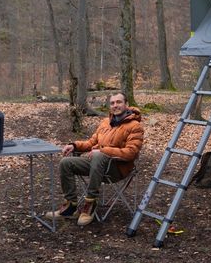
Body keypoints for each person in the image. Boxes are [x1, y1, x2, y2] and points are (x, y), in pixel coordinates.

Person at [48, 92, 143, 226]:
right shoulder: (105, 122)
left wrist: (103, 151)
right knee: (66, 163)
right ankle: (71, 206)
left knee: (98, 155)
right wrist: (74, 145)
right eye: (112, 103)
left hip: (117, 168)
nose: (115, 105)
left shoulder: (135, 126)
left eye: (119, 102)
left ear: (126, 104)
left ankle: (90, 204)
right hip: (97, 166)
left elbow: (131, 153)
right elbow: (91, 143)